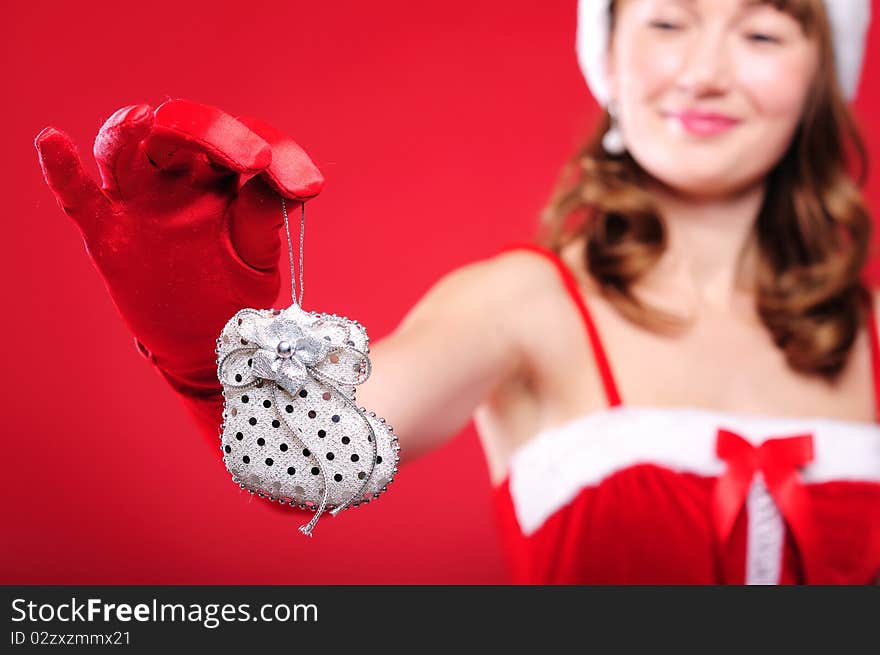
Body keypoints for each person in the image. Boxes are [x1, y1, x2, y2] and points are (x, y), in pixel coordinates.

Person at [34, 0, 879, 584]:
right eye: (667, 21)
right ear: (609, 55)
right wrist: (203, 339)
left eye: (764, 34)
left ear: (822, 75)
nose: (704, 72)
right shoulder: (527, 304)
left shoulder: (872, 336)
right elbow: (308, 458)